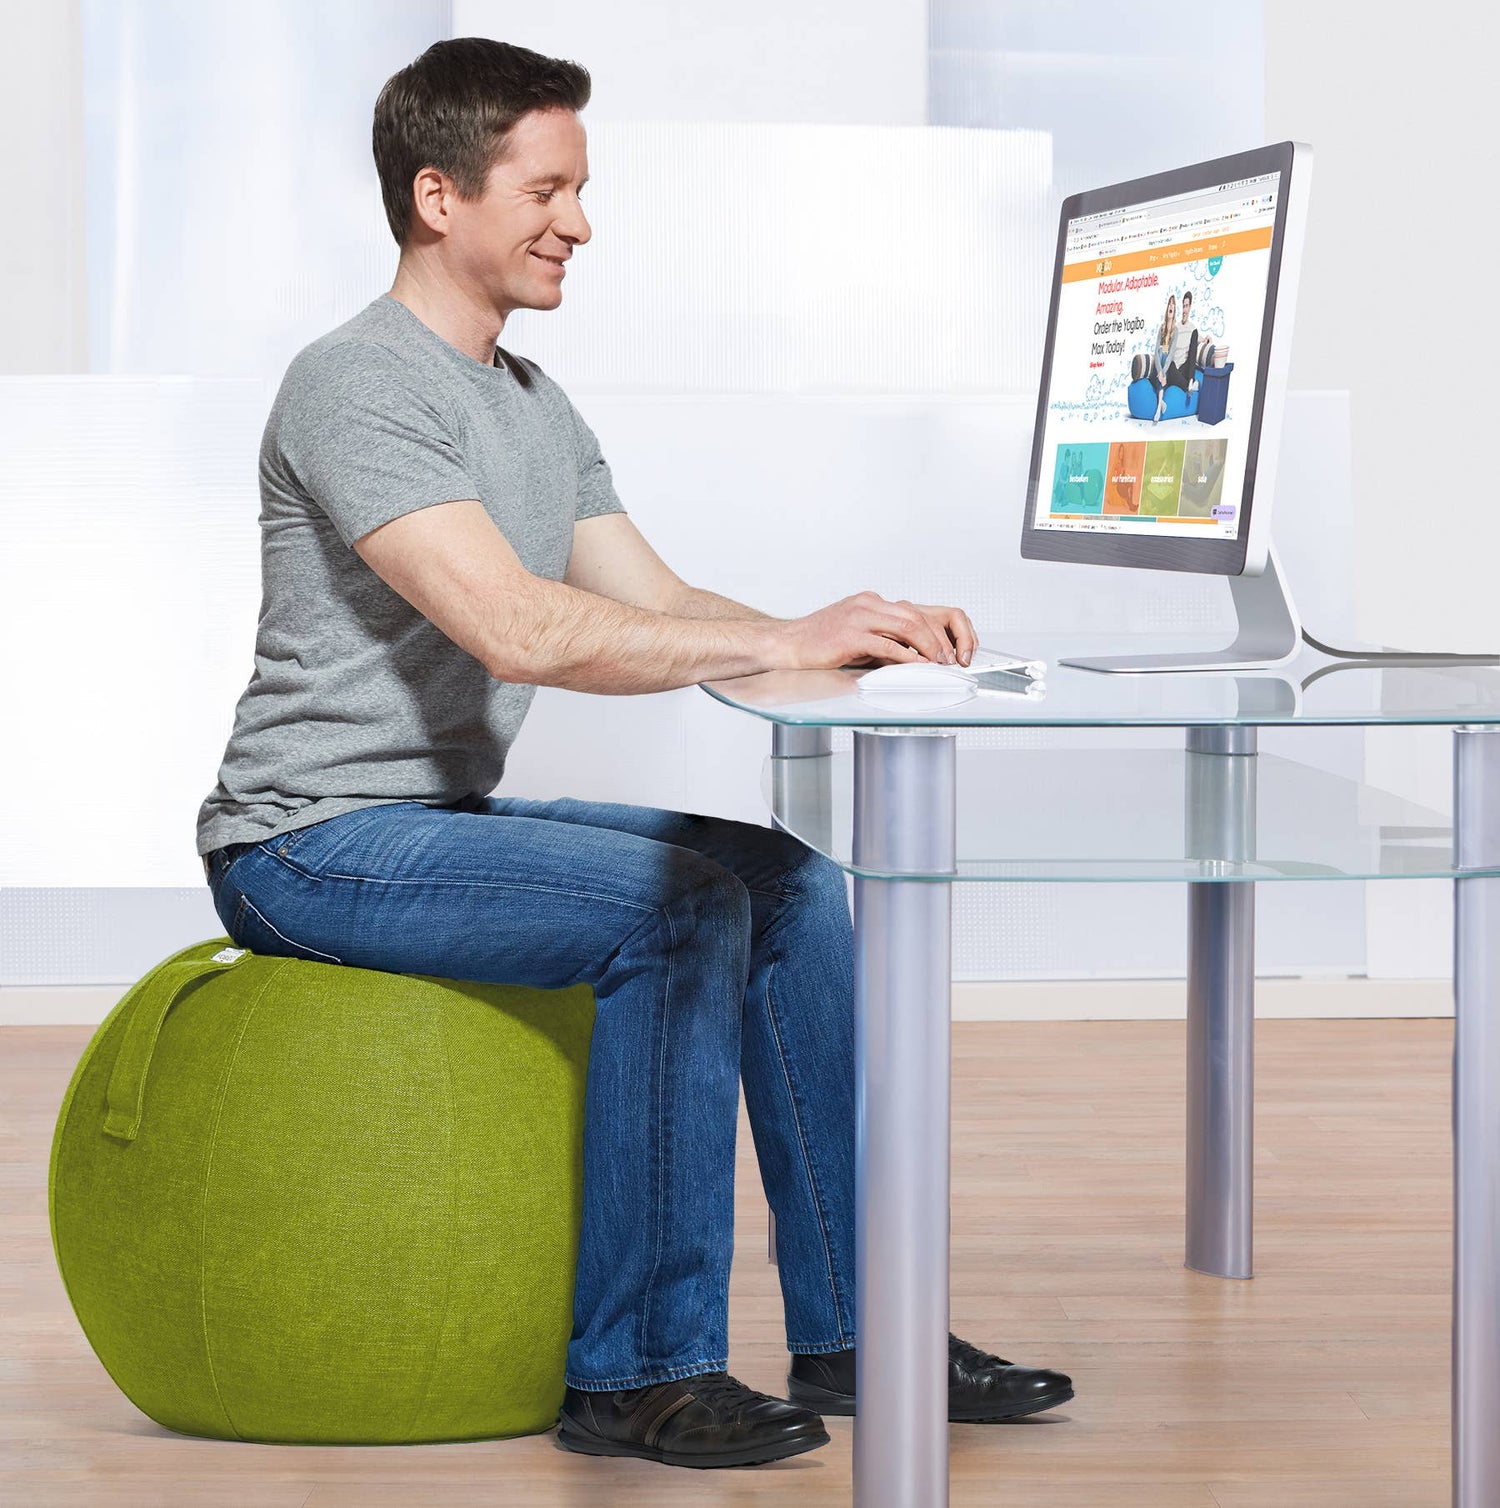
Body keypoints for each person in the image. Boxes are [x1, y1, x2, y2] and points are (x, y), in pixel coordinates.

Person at [196, 37, 1074, 1470]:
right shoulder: (356, 384)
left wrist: (842, 632)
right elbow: (524, 631)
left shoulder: (536, 404)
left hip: (436, 822)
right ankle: (637, 1374)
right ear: (438, 195)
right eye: (550, 190)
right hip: (307, 844)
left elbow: (655, 604)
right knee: (679, 908)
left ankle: (862, 1329)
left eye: (580, 190)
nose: (581, 225)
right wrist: (781, 636)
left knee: (786, 879)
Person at [1152, 290, 1200, 420]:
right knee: (1169, 362)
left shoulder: (1193, 329)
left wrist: (1191, 378)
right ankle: (1187, 387)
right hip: (1172, 367)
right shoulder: (1176, 328)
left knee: (1182, 364)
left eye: (1187, 306)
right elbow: (1167, 351)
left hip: (1183, 368)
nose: (1184, 310)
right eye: (1183, 306)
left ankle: (1189, 384)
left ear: (1190, 307)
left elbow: (1192, 356)